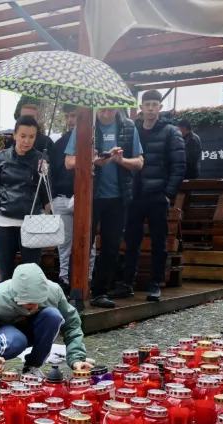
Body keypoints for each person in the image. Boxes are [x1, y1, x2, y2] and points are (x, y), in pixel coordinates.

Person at [65, 108, 144, 309]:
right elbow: (69, 162)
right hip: (89, 196)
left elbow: (139, 162)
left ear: (116, 107)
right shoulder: (85, 124)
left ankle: (100, 292)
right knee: (81, 243)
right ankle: (75, 291)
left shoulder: (128, 126)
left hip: (118, 198)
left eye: (109, 109)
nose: (105, 113)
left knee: (111, 246)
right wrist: (93, 161)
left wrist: (121, 161)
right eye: (101, 109)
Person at [115, 90, 185, 303]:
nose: (151, 108)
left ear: (160, 108)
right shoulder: (132, 129)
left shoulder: (171, 131)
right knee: (131, 240)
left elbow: (179, 165)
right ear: (141, 107)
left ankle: (155, 283)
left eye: (155, 104)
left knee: (159, 242)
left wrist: (167, 194)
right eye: (148, 104)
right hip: (134, 195)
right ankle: (128, 282)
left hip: (157, 195)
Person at [0, 263, 91, 381]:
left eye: (40, 301)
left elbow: (72, 325)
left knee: (54, 316)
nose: (36, 306)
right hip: (7, 335)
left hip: (33, 328)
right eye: (30, 303)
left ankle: (32, 366)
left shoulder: (54, 291)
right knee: (16, 341)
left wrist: (76, 358)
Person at [0, 115, 48, 282]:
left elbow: (46, 195)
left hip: (33, 221)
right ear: (15, 134)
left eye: (32, 137)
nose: (27, 141)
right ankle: (6, 308)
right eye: (23, 136)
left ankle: (29, 308)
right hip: (4, 221)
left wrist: (45, 175)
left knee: (31, 275)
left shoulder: (41, 159)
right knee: (5, 275)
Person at [49, 105, 77, 290]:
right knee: (63, 242)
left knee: (86, 242)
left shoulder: (90, 140)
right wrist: (51, 198)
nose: (70, 120)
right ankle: (64, 278)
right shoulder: (59, 143)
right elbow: (53, 171)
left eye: (73, 115)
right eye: (68, 116)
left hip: (82, 196)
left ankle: (87, 277)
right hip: (60, 197)